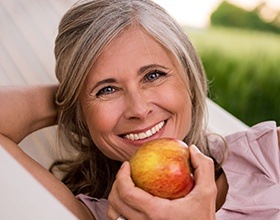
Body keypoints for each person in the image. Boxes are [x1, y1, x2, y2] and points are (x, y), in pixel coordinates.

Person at [0, 0, 279, 219]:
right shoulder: (88, 215)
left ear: (189, 76)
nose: (139, 109)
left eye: (153, 75)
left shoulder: (268, 158)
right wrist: (75, 103)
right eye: (107, 89)